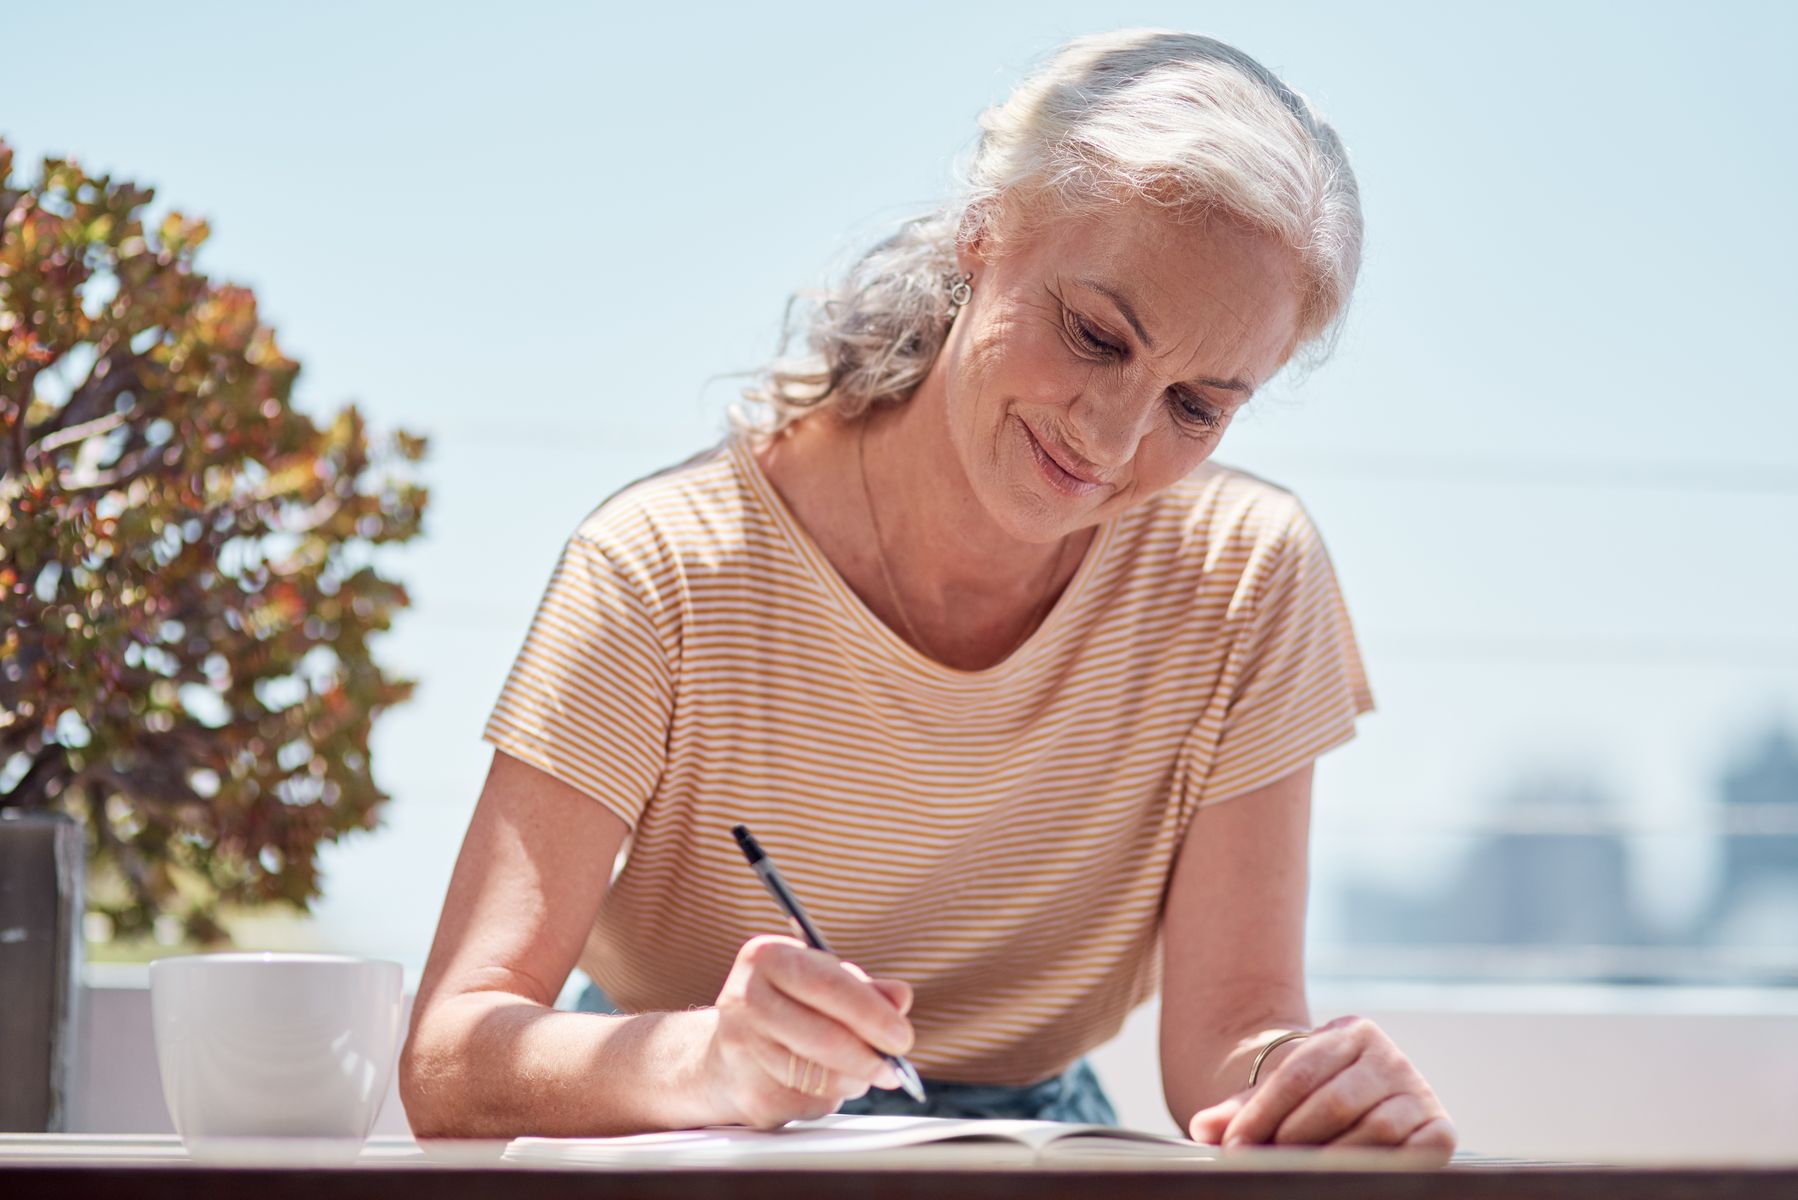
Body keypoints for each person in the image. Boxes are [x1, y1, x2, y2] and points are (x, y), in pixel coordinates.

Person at [399, 26, 1455, 1158]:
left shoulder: (1245, 579)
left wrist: (1311, 1085)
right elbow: (449, 1058)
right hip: (690, 1126)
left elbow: (1229, 1038)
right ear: (983, 231)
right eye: (1095, 335)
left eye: (1197, 406)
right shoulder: (663, 573)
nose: (1113, 437)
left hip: (1037, 1149)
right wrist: (707, 1059)